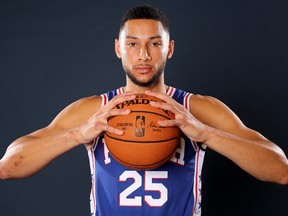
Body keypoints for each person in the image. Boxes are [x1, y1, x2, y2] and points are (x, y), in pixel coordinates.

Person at [0, 4, 287, 216]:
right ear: (118, 48)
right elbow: (9, 167)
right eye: (132, 44)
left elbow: (280, 170)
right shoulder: (95, 110)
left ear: (169, 49)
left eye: (155, 44)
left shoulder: (197, 108)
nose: (143, 55)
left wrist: (206, 133)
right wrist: (77, 134)